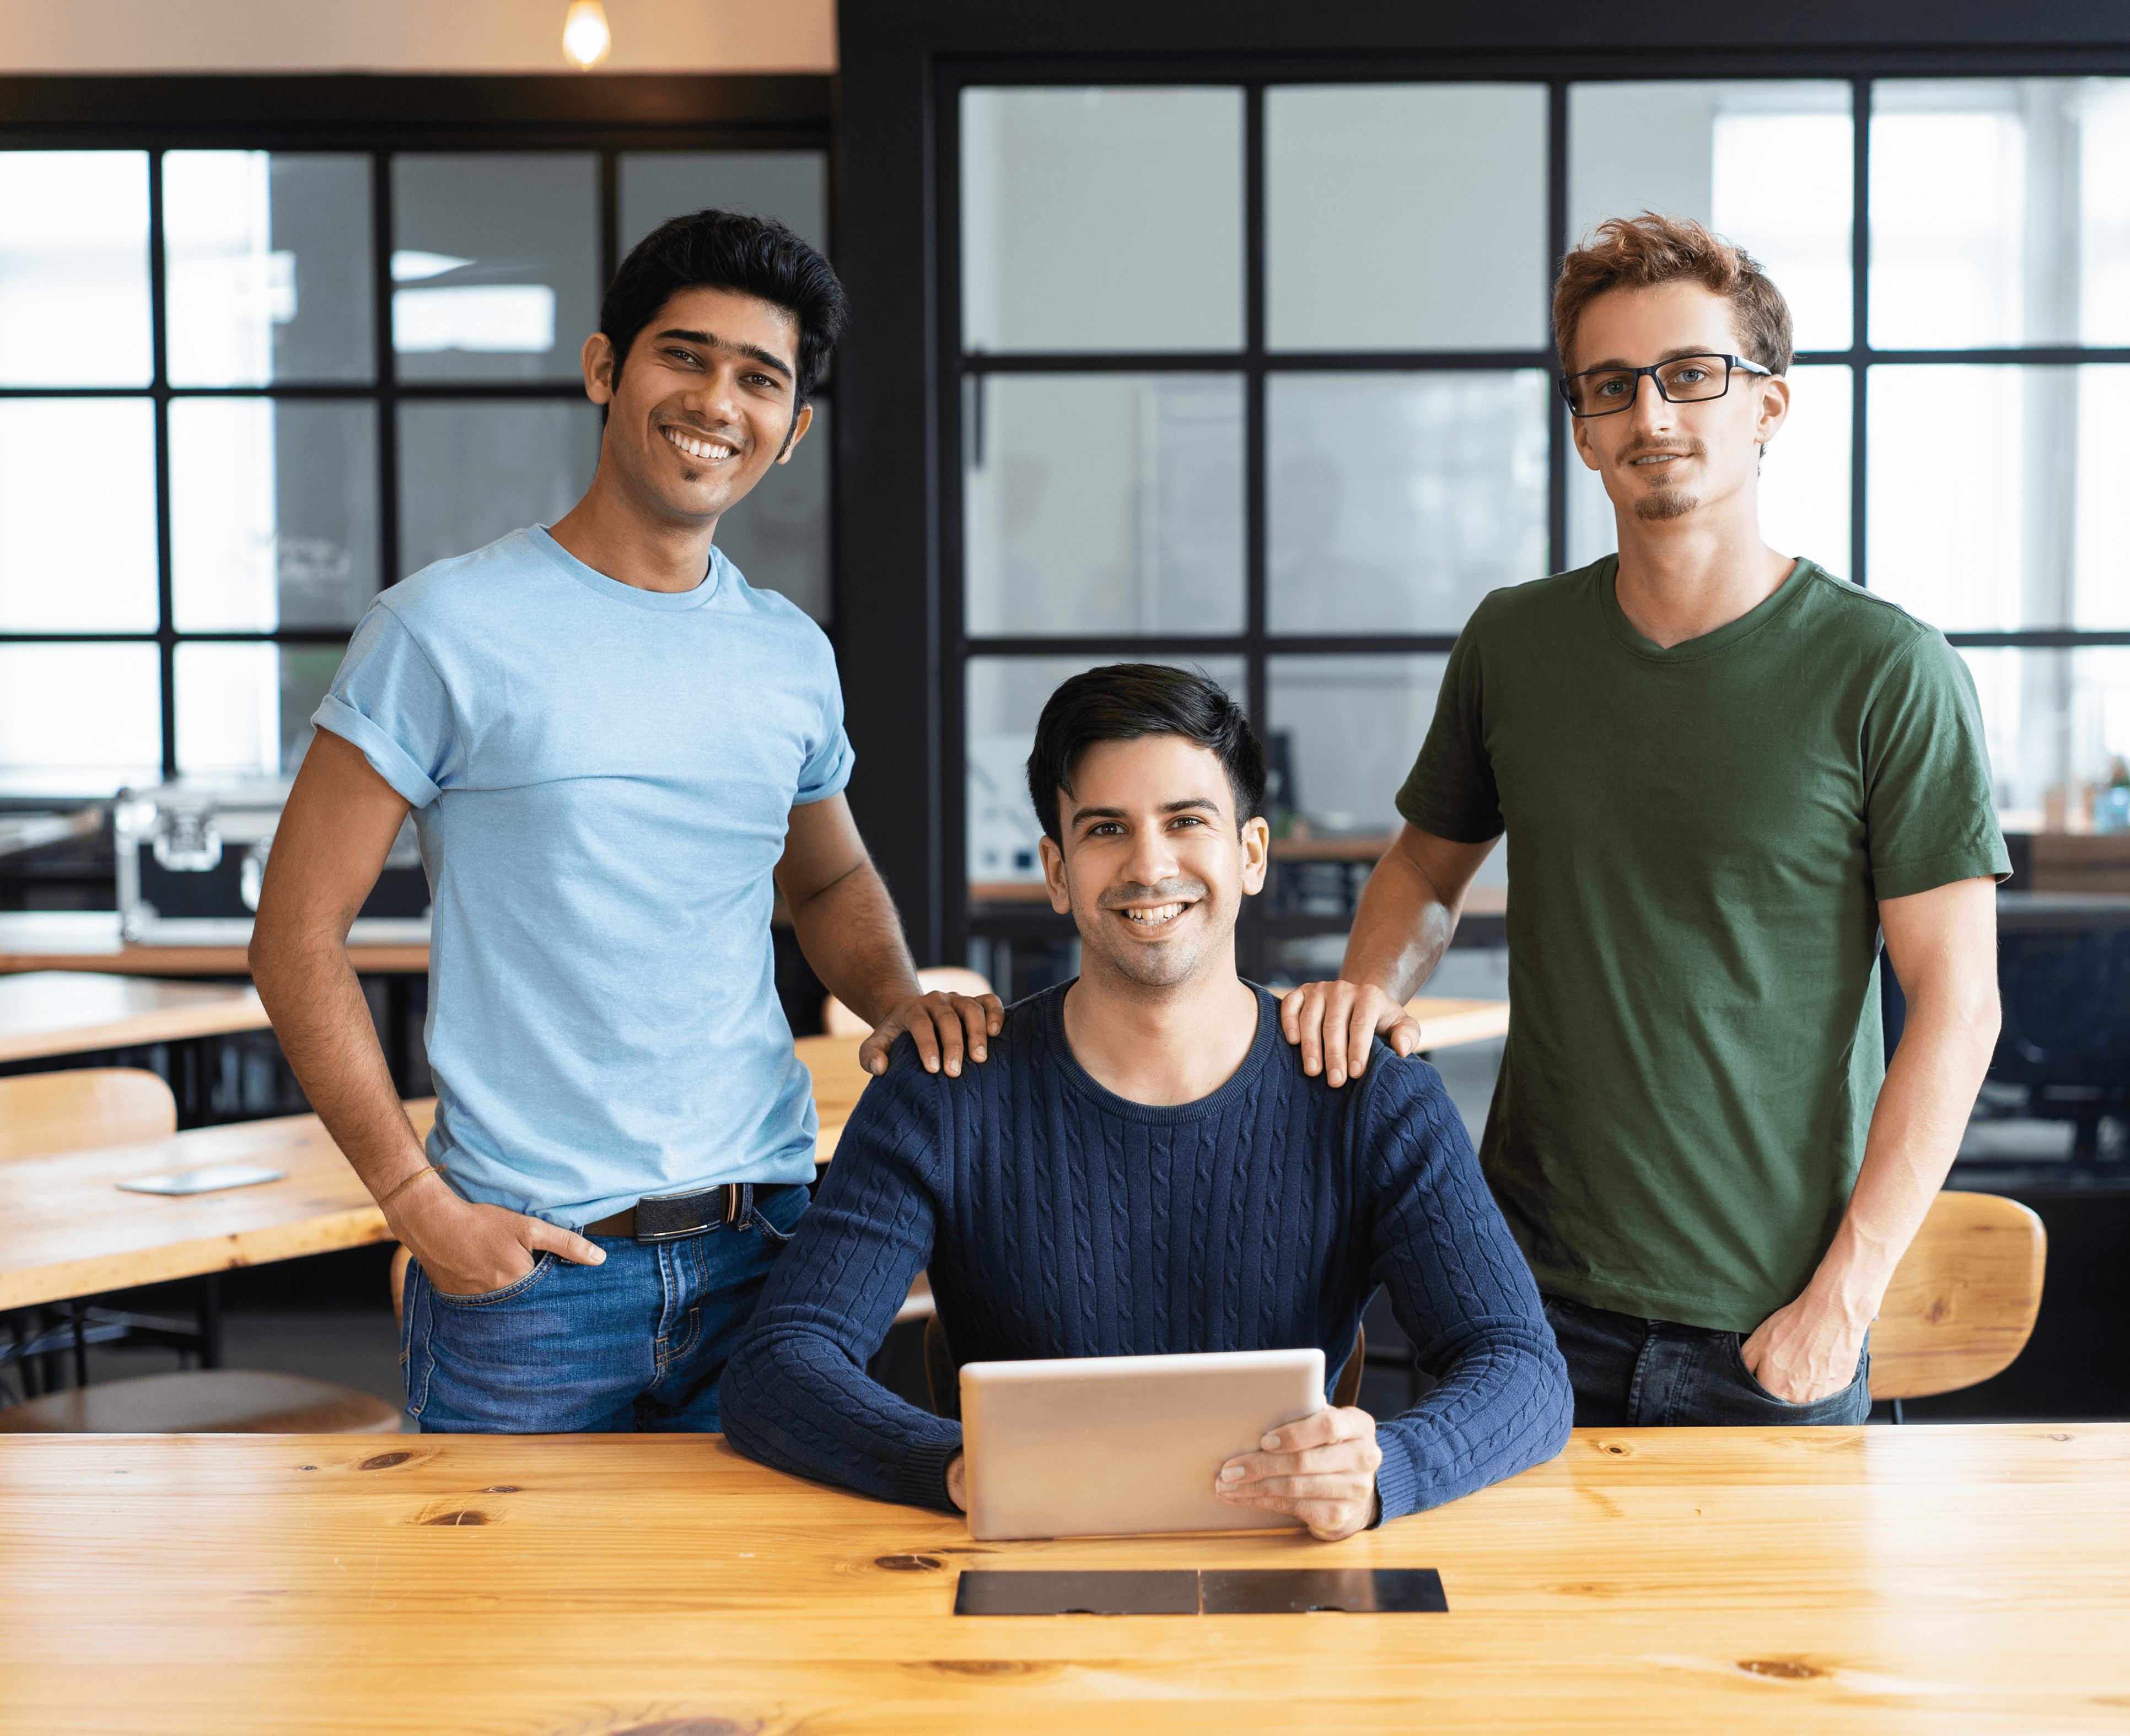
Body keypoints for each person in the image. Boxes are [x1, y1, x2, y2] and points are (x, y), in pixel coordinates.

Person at [249, 211, 1000, 1433]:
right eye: (684, 357)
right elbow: (293, 937)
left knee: (765, 1621)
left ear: (792, 430)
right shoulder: (441, 629)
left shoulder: (788, 655)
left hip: (769, 1250)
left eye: (759, 378)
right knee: (514, 1626)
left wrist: (901, 998)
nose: (717, 399)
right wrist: (411, 1199)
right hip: (534, 1278)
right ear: (608, 368)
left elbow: (826, 881)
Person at [1280, 213, 2007, 1427]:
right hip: (1522, 1309)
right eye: (1611, 388)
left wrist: (1846, 1299)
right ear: (1580, 429)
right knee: (1505, 1625)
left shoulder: (1889, 669)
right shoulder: (1516, 643)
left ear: (1769, 407)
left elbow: (1959, 1003)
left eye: (1692, 376)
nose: (1652, 416)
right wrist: (1372, 995)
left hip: (1773, 1325)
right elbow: (1423, 867)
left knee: (1774, 1629)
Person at [719, 665, 1570, 1537]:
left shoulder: (1369, 1091)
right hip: (1013, 1583)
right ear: (1058, 870)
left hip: (1292, 1572)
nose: (1149, 864)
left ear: (1251, 854)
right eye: (1106, 829)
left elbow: (1523, 1371)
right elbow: (778, 1365)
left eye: (1186, 821)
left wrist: (1388, 1469)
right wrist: (950, 1466)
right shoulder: (946, 1090)